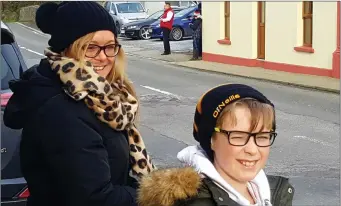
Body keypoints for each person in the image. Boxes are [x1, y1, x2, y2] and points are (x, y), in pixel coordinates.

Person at [3, 2, 156, 206]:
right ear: (68, 50)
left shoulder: (101, 98)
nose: (103, 57)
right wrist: (156, 193)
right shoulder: (62, 109)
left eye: (110, 46)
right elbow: (96, 198)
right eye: (90, 47)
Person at [137, 84, 295, 206]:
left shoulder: (271, 191)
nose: (252, 150)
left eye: (262, 136)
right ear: (211, 139)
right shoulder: (196, 202)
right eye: (238, 136)